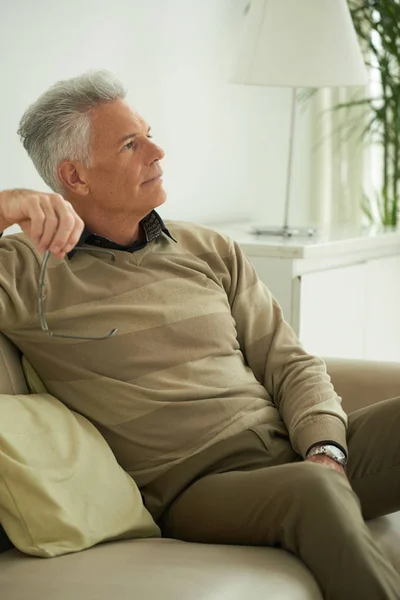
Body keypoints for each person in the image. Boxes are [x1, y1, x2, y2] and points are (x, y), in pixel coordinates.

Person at [0, 70, 399, 600]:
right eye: (130, 144)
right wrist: (7, 205)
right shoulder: (26, 273)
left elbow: (290, 363)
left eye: (149, 133)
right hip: (196, 489)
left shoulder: (208, 248)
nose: (157, 151)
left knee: (318, 476)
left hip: (293, 451)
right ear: (74, 176)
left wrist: (325, 445)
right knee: (313, 489)